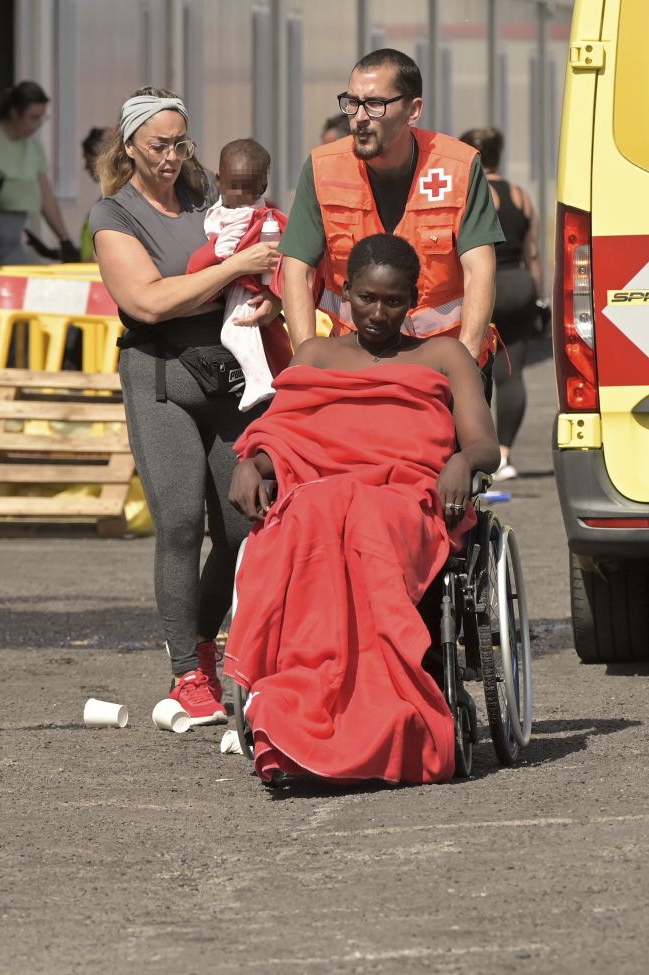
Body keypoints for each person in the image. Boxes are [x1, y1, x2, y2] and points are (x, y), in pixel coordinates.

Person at [226, 233, 499, 784]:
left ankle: (387, 713)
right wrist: (251, 464)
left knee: (365, 519)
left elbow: (484, 444)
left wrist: (462, 461)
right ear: (345, 292)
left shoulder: (444, 355)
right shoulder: (316, 355)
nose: (378, 312)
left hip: (406, 498)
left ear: (413, 299)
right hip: (323, 493)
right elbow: (287, 436)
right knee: (309, 514)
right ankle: (294, 711)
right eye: (367, 298)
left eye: (394, 301)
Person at [89, 89, 281, 724]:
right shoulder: (113, 214)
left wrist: (270, 298)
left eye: (180, 144)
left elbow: (265, 261)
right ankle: (186, 675)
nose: (171, 157)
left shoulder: (210, 195)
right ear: (130, 146)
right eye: (158, 145)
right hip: (161, 375)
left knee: (243, 526)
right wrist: (232, 272)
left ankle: (204, 642)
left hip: (230, 371)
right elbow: (148, 302)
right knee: (177, 524)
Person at [279, 49, 505, 369]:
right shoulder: (322, 168)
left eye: (375, 104)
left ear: (413, 110)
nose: (359, 117)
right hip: (353, 360)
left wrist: (464, 364)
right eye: (352, 102)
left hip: (443, 359)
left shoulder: (459, 168)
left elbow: (479, 270)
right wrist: (306, 363)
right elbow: (297, 271)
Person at [460, 127, 544, 481]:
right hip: (520, 285)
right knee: (513, 372)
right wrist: (538, 297)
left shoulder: (471, 191)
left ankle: (477, 449)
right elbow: (533, 252)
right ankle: (506, 454)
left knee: (473, 368)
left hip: (487, 285)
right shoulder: (520, 195)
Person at [186, 138, 290, 411]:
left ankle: (261, 382)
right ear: (219, 181)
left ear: (262, 188)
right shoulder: (219, 213)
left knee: (237, 334)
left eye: (248, 188)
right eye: (233, 185)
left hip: (251, 292)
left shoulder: (256, 219)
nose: (240, 195)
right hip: (231, 291)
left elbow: (210, 257)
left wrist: (276, 293)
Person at [0, 81, 75, 264]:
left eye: (42, 118)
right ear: (15, 113)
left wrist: (64, 238)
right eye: (33, 118)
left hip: (16, 230)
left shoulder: (33, 145)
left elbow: (45, 195)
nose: (38, 124)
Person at [76, 126, 112, 263]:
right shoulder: (105, 200)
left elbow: (102, 256)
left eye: (87, 160)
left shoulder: (115, 203)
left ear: (100, 157)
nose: (85, 167)